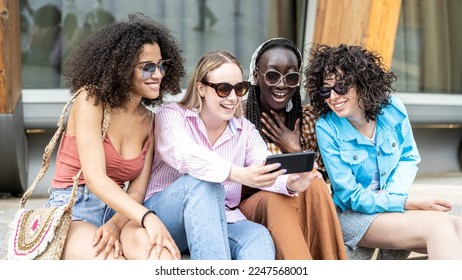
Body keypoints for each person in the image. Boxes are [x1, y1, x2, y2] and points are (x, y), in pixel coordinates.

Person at [144, 50, 322, 260]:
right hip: (166, 216)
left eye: (239, 89)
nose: (232, 98)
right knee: (204, 183)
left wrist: (292, 182)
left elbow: (263, 166)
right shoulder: (172, 114)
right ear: (201, 88)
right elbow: (182, 153)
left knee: (258, 236)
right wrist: (235, 173)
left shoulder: (244, 129)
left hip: (221, 218)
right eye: (223, 89)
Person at [44, 13, 185, 260]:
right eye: (147, 67)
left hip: (120, 213)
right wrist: (147, 217)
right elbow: (95, 178)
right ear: (120, 68)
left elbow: (136, 192)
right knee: (113, 264)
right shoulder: (91, 100)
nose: (158, 74)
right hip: (75, 208)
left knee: (161, 258)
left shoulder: (150, 120)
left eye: (162, 65)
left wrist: (116, 225)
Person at [305, 43, 462, 259]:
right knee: (440, 226)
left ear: (362, 83)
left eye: (341, 87)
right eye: (325, 89)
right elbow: (350, 195)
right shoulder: (327, 127)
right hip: (352, 214)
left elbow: (408, 156)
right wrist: (404, 202)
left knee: (459, 228)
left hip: (390, 203)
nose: (333, 97)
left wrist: (393, 196)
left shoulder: (393, 108)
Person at [240, 38, 347, 260]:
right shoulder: (238, 116)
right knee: (274, 198)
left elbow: (323, 179)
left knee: (315, 183)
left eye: (291, 77)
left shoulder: (306, 118)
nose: (282, 84)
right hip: (254, 208)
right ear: (256, 76)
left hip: (296, 205)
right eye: (272, 75)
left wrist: (294, 149)